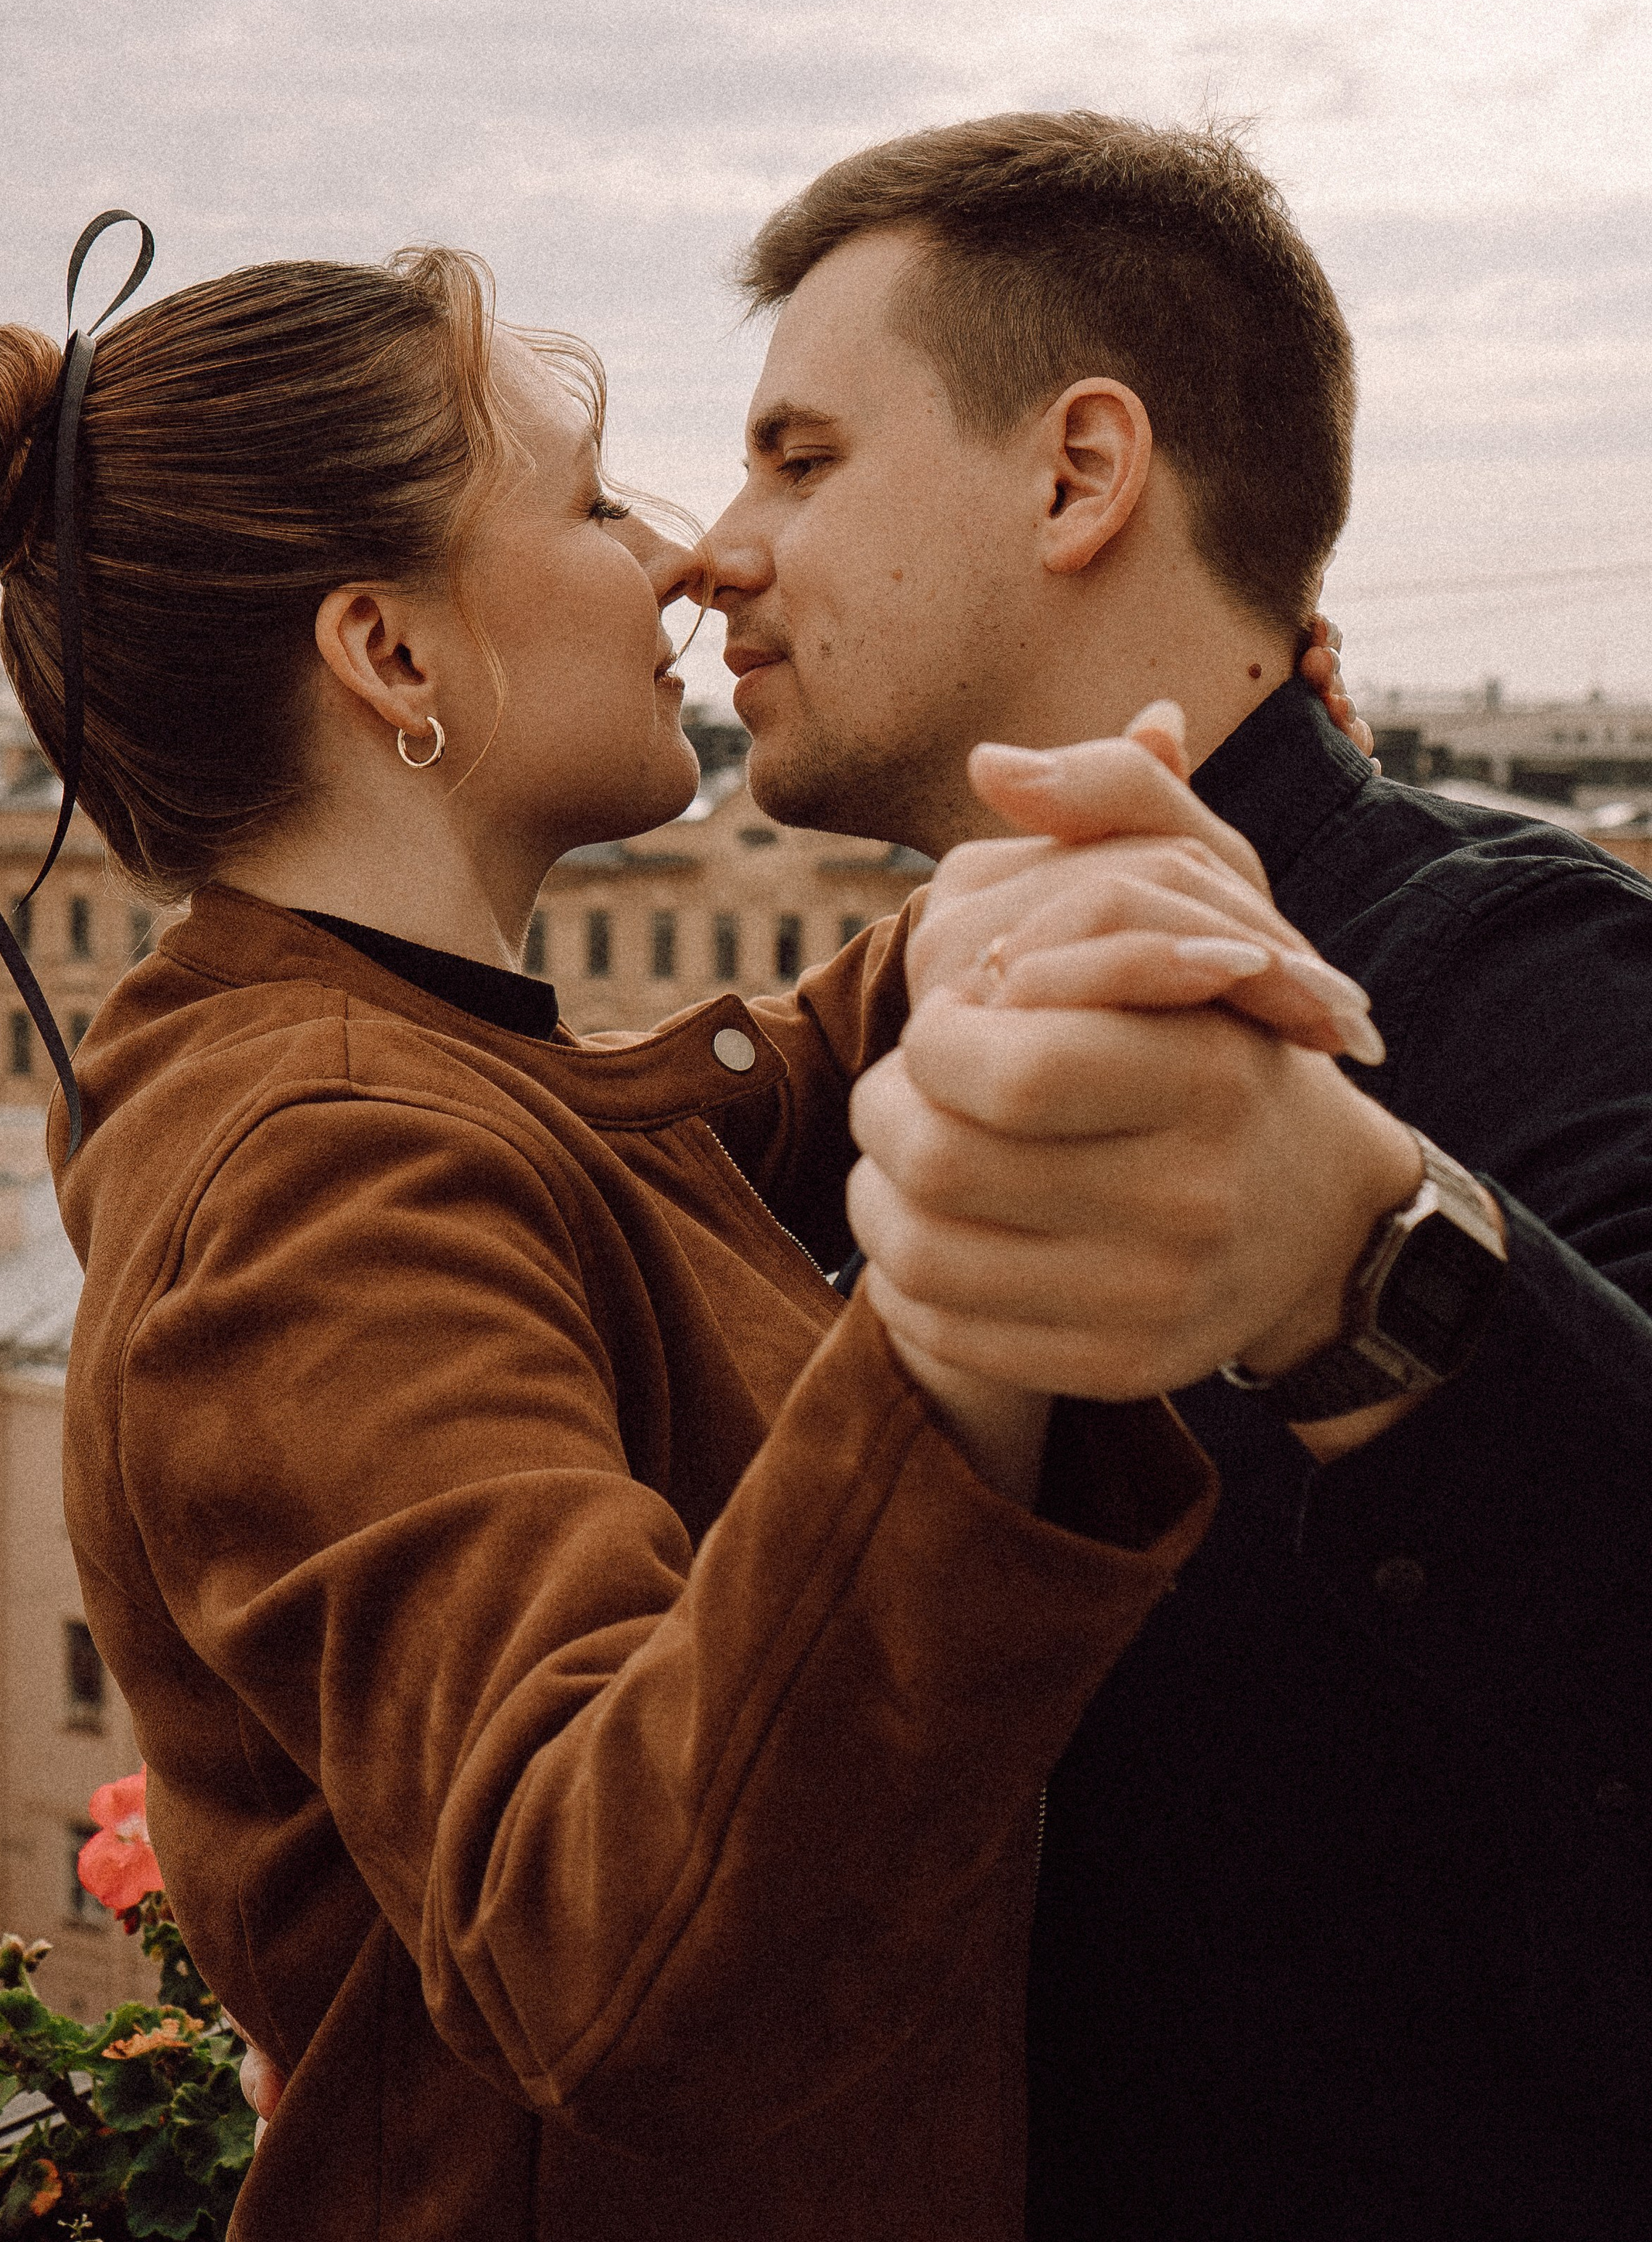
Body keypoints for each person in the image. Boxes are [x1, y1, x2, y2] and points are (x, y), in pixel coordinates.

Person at [0, 233, 1382, 2241]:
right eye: (590, 506)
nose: (682, 558)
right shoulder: (315, 1174)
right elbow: (615, 1953)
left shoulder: (400, 1081)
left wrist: (1089, 853)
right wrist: (967, 1290)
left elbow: (671, 1147)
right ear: (390, 658)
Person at [706, 110, 1652, 2241]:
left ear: (1078, 473)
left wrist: (1362, 1258)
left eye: (802, 456)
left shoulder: (1498, 964)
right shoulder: (915, 1032)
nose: (715, 548)